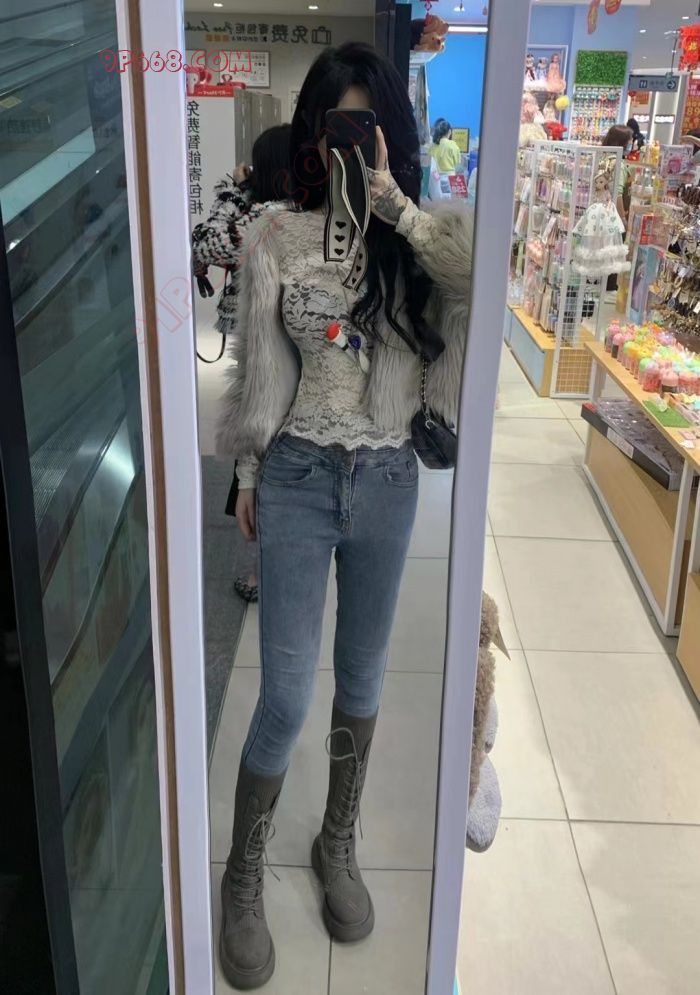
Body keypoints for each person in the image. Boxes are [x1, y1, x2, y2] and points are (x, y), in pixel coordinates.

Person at [215, 41, 472, 991]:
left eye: (367, 128)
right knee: (285, 693)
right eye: (337, 128)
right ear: (313, 137)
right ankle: (244, 871)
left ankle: (336, 840)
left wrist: (394, 202)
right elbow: (258, 365)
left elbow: (478, 279)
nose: (350, 147)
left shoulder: (418, 238)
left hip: (388, 479)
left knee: (362, 679)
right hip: (295, 475)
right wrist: (248, 474)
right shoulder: (275, 234)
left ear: (389, 136)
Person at [192, 124, 293, 603]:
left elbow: (206, 242)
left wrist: (232, 190)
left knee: (259, 451)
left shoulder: (262, 221)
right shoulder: (299, 212)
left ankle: (263, 570)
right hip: (295, 346)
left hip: (267, 350)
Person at [601, 124, 634, 225]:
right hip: (612, 218)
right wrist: (623, 219)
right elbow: (617, 194)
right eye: (630, 140)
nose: (632, 142)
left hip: (600, 212)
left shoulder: (602, 157)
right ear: (622, 142)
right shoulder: (618, 164)